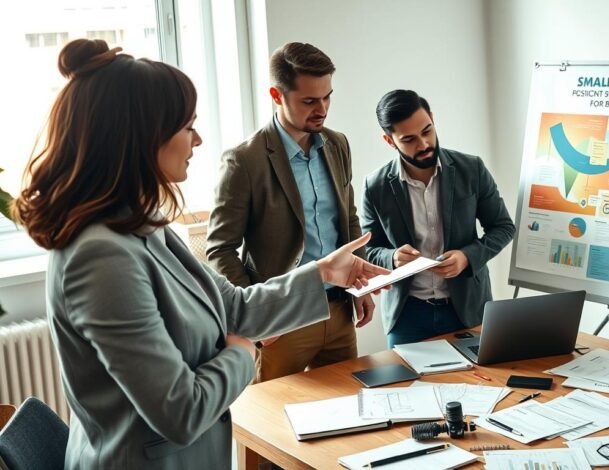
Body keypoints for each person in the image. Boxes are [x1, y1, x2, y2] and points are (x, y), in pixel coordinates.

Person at [12, 38, 387, 469]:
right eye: (188, 126)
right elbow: (180, 410)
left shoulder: (145, 223)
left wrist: (323, 272)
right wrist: (243, 355)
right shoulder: (99, 256)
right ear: (142, 138)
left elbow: (230, 305)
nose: (199, 138)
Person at [207, 42, 373, 382]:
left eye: (327, 97)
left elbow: (349, 220)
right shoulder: (244, 160)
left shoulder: (338, 144)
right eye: (309, 101)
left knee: (352, 413)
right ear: (276, 94)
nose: (322, 108)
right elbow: (220, 249)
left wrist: (362, 287)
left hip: (339, 311)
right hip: (281, 321)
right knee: (274, 424)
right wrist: (255, 315)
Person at [362, 89, 516, 347]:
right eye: (409, 139)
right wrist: (392, 258)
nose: (423, 144)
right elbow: (367, 248)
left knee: (482, 384)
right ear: (390, 141)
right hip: (407, 315)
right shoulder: (375, 186)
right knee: (406, 387)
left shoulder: (472, 169)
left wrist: (467, 257)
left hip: (467, 310)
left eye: (427, 131)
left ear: (432, 118)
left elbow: (503, 227)